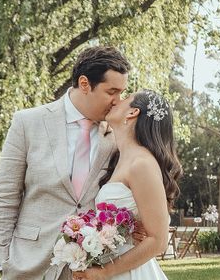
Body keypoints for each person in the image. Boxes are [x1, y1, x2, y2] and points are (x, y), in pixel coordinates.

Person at [0, 46, 131, 279]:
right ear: (85, 84)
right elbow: (4, 196)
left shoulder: (118, 134)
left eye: (122, 93)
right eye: (112, 92)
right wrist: (2, 261)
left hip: (93, 267)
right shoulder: (27, 123)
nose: (118, 102)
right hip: (30, 264)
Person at [72, 89, 182, 280]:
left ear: (132, 113)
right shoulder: (119, 158)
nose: (116, 101)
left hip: (129, 272)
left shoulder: (142, 163)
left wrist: (105, 272)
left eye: (125, 98)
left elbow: (159, 240)